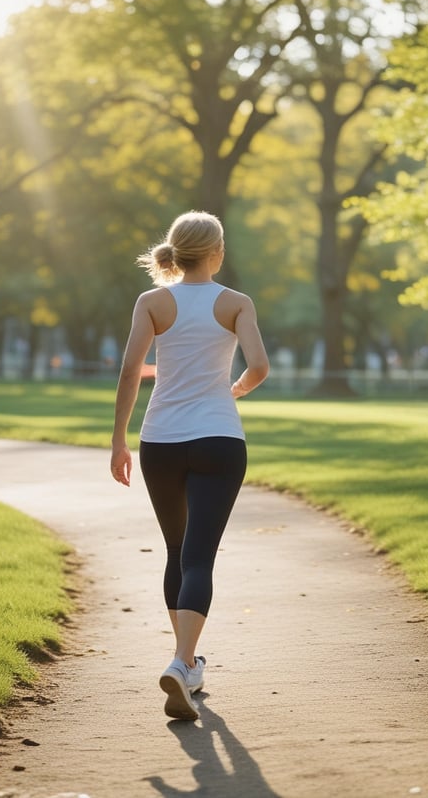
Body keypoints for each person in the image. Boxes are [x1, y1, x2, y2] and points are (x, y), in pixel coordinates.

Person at [110, 211, 270, 721]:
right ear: (217, 253)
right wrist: (234, 390)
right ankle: (183, 663)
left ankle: (187, 663)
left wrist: (118, 441)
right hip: (220, 440)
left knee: (177, 550)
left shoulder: (152, 302)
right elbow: (260, 367)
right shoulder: (236, 303)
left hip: (161, 441)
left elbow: (131, 369)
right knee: (199, 556)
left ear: (175, 253)